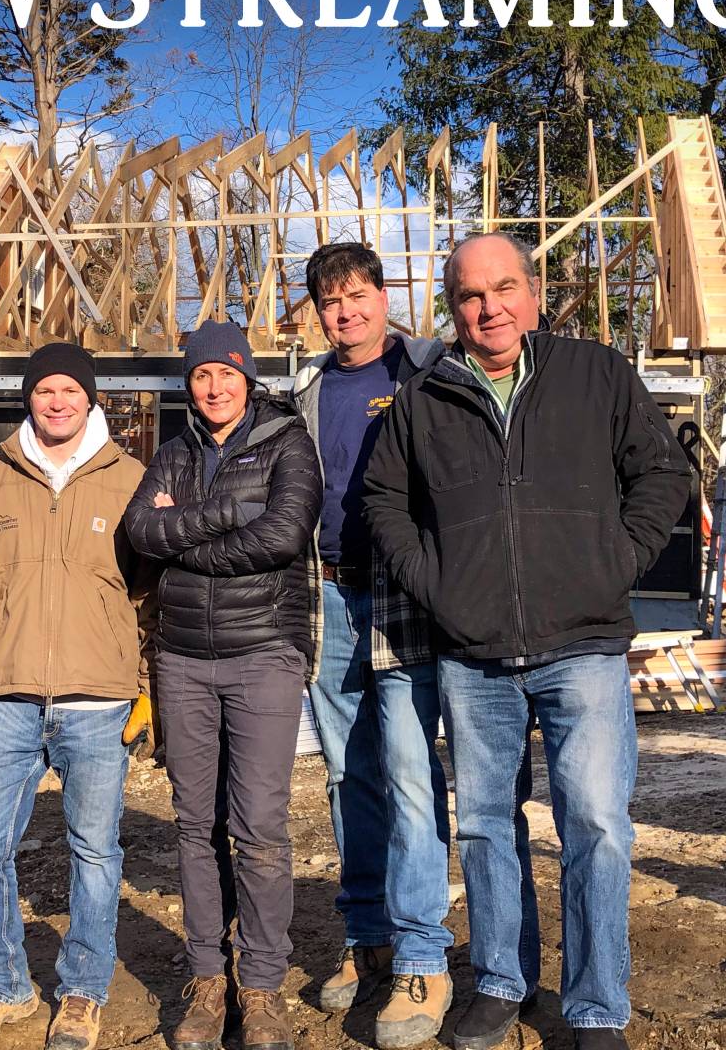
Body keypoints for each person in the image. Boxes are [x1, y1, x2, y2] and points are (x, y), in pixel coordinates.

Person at [362, 233, 690, 1050]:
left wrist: (614, 561)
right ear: (453, 307)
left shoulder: (594, 374)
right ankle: (504, 983)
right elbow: (383, 501)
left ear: (533, 292)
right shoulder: (424, 398)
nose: (490, 308)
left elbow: (662, 474)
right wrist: (438, 584)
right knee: (483, 824)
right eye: (471, 296)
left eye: (504, 288)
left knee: (597, 825)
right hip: (473, 655)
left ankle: (595, 1005)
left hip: (583, 645)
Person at [0, 341, 153, 1050]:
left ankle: (83, 992)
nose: (57, 401)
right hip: (8, 699)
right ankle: (0, 986)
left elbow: (155, 595)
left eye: (70, 390)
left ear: (90, 399)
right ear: (28, 397)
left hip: (99, 703)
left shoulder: (131, 480)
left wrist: (148, 687)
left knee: (95, 852)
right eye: (44, 390)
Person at [125, 320, 322, 1050]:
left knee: (260, 827)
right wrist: (224, 517)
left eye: (226, 374)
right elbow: (140, 530)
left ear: (248, 377)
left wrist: (188, 544)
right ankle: (208, 978)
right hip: (182, 659)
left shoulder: (286, 443)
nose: (213, 387)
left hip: (263, 652)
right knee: (193, 824)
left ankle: (262, 983)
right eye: (201, 376)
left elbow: (281, 535)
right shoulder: (173, 452)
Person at [290, 243, 454, 1047]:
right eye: (330, 301)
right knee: (347, 772)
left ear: (385, 296)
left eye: (358, 295)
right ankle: (368, 937)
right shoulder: (310, 390)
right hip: (328, 593)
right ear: (316, 311)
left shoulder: (425, 369)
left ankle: (425, 952)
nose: (346, 311)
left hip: (402, 592)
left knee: (410, 771)